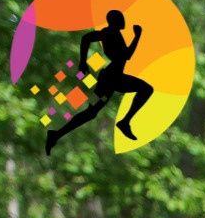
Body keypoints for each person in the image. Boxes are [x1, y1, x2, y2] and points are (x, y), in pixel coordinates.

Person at [45, 9, 155, 154]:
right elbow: (125, 54)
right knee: (146, 89)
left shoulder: (114, 33)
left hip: (111, 77)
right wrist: (137, 36)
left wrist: (83, 62)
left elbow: (89, 39)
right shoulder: (110, 33)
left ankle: (56, 134)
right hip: (112, 78)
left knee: (91, 112)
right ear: (115, 21)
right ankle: (125, 122)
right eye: (121, 18)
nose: (124, 21)